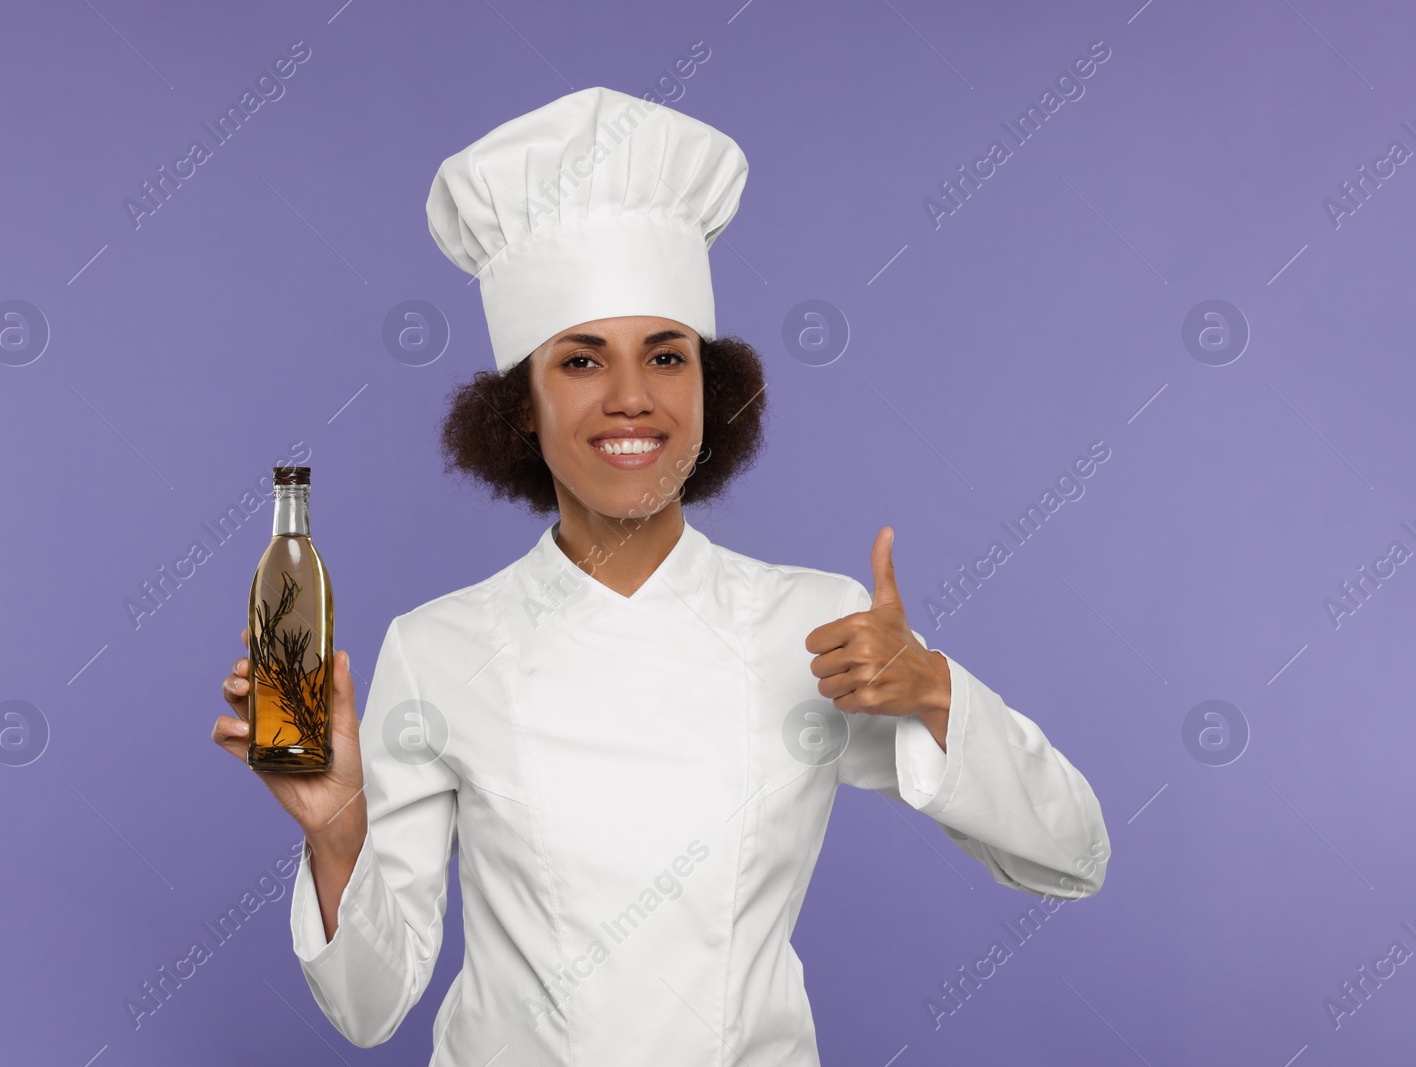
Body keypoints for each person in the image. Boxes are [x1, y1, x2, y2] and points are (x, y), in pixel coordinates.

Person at [212, 86, 1110, 1065]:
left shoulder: (813, 627)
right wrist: (338, 828)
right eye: (582, 359)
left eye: (667, 355)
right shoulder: (439, 649)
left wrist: (935, 690)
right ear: (521, 403)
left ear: (708, 387)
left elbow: (1072, 855)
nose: (632, 397)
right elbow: (368, 1007)